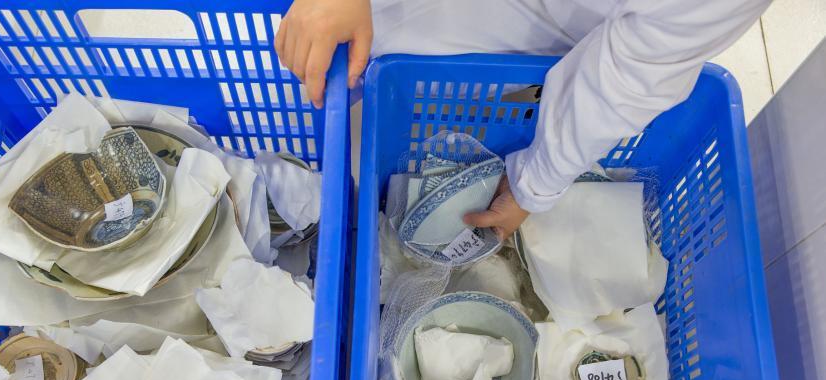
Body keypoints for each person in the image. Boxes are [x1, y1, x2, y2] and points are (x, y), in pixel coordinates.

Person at [274, 0, 770, 238]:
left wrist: (536, 181)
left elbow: (627, 76)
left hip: (544, 44)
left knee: (498, 97)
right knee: (351, 79)